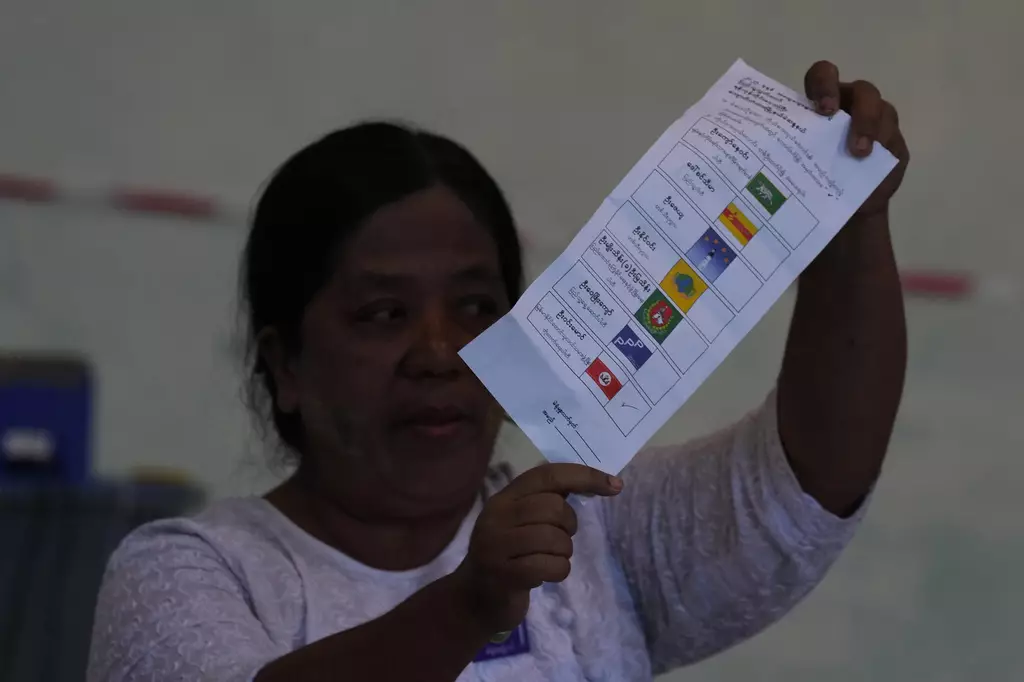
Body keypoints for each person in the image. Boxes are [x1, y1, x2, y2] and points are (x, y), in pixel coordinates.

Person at [86, 61, 909, 682]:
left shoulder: (593, 529)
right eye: (383, 314)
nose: (440, 353)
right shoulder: (189, 574)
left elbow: (808, 483)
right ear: (285, 365)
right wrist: (467, 607)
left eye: (477, 306)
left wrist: (852, 220)